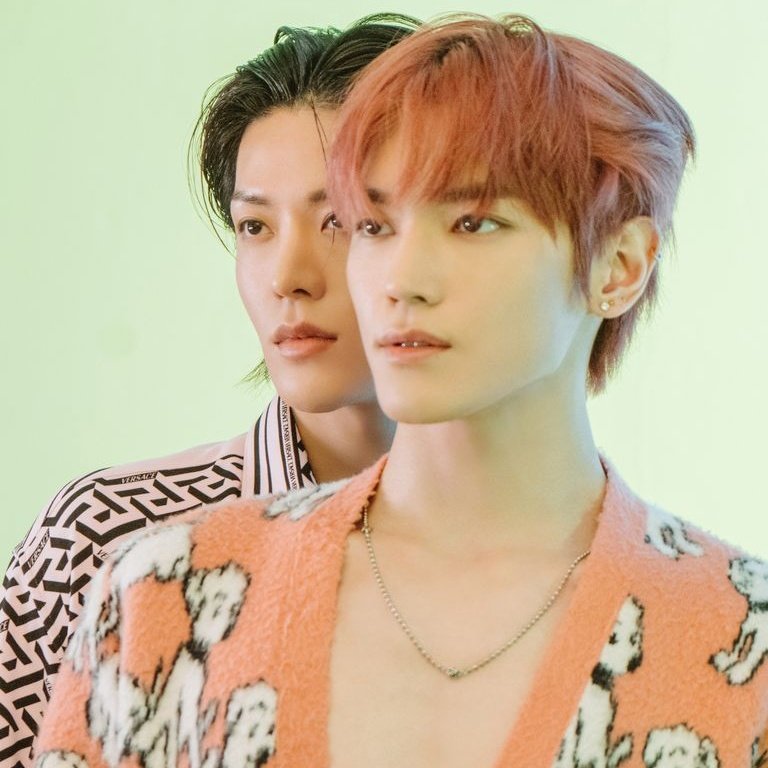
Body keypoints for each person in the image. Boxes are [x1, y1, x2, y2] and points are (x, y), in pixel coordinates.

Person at [34, 12, 768, 768]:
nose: (400, 281)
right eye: (372, 225)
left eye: (474, 222)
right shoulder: (162, 592)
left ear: (620, 265)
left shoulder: (741, 636)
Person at [0, 14, 419, 767]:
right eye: (255, 226)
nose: (288, 275)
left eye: (340, 220)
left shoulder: (547, 560)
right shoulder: (109, 542)